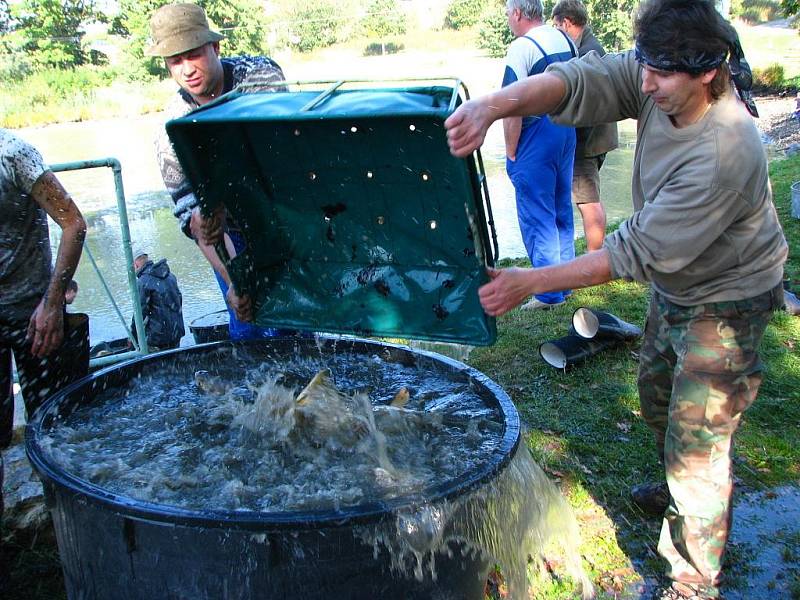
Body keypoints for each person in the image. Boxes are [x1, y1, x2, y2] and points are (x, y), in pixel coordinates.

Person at [445, 1, 788, 598]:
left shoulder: (727, 150)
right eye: (645, 66)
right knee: (656, 397)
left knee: (699, 442)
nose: (645, 81)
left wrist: (533, 280)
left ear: (709, 72)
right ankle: (677, 488)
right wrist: (491, 104)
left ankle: (693, 578)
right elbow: (585, 78)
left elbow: (635, 250)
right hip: (678, 284)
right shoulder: (662, 72)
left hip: (730, 298)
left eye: (660, 74)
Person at [148, 3, 288, 339]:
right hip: (230, 234)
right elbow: (195, 223)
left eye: (193, 55)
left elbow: (280, 158)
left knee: (292, 323)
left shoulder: (259, 76)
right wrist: (235, 281)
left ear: (215, 47)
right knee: (247, 323)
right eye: (175, 61)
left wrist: (224, 194)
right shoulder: (173, 127)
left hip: (280, 220)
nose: (186, 69)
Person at [1, 130, 88, 513]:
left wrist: (53, 301)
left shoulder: (12, 153)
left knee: (57, 432)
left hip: (32, 313)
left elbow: (73, 224)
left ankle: (70, 528)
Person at [502, 0, 578, 311]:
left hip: (536, 134)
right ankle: (566, 282)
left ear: (518, 13)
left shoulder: (521, 48)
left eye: (508, 12)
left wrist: (510, 152)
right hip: (566, 128)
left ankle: (548, 295)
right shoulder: (563, 38)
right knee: (561, 207)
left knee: (537, 214)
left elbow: (510, 107)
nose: (508, 18)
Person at [551, 0, 618, 252]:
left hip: (588, 142)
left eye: (557, 25)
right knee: (586, 199)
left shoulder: (587, 52)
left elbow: (587, 103)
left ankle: (594, 258)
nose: (556, 30)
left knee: (587, 201)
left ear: (567, 22)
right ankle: (596, 255)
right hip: (597, 139)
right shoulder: (589, 45)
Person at [131, 250, 185, 351]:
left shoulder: (142, 282)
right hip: (176, 332)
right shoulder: (170, 276)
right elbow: (179, 301)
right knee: (174, 361)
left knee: (154, 362)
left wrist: (133, 337)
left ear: (136, 264)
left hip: (158, 339)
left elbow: (139, 314)